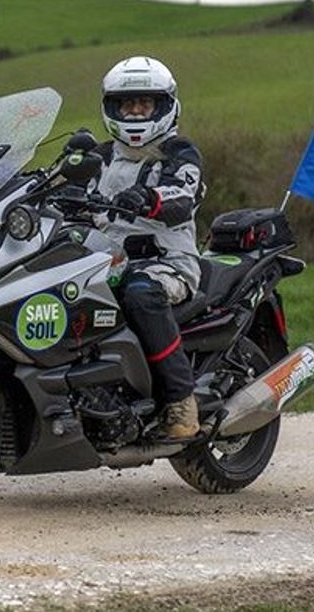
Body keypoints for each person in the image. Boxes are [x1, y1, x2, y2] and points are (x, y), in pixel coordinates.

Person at [82, 56, 204, 439]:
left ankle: (180, 400)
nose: (135, 111)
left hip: (166, 264)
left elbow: (183, 193)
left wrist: (148, 198)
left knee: (139, 294)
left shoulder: (179, 152)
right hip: (104, 261)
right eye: (127, 104)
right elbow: (63, 189)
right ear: (112, 108)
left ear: (164, 107)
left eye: (144, 104)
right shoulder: (99, 157)